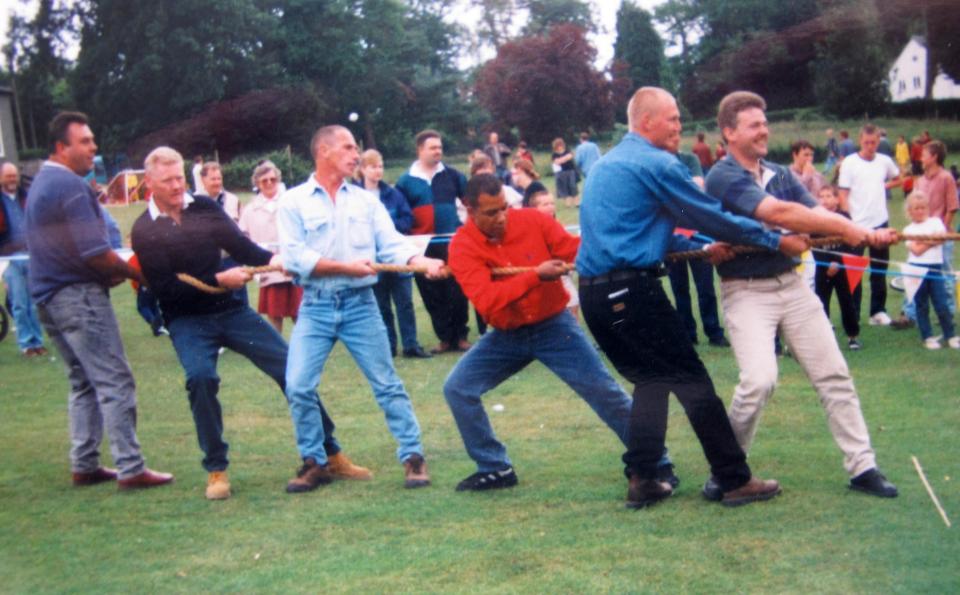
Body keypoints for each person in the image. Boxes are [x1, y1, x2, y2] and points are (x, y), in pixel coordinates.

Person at [577, 87, 801, 509]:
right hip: (633, 291)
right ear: (646, 122)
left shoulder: (607, 166)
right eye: (673, 119)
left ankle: (643, 478)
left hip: (597, 298)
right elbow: (709, 213)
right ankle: (734, 479)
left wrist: (700, 243)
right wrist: (774, 239)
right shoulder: (659, 163)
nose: (680, 127)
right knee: (693, 381)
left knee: (652, 382)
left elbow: (646, 225)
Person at [132, 147, 370, 499]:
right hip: (187, 319)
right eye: (167, 181)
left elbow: (240, 246)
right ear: (149, 183)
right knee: (201, 378)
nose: (176, 186)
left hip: (231, 311)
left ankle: (329, 454)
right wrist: (218, 279)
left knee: (293, 372)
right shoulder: (143, 230)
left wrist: (276, 259)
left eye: (180, 178)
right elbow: (166, 290)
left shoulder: (203, 207)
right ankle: (216, 469)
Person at [704, 91, 898, 500]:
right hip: (746, 292)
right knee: (759, 381)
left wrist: (857, 228)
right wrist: (847, 230)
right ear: (729, 132)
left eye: (764, 122)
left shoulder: (779, 172)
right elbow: (778, 214)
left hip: (792, 287)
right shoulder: (723, 176)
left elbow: (814, 213)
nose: (764, 130)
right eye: (754, 125)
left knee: (834, 374)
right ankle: (728, 469)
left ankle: (863, 466)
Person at [444, 174, 676, 494]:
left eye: (505, 209)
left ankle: (657, 462)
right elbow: (486, 300)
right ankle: (494, 468)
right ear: (469, 210)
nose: (502, 218)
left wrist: (627, 253)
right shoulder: (462, 246)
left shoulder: (533, 221)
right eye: (491, 213)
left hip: (554, 326)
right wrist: (535, 276)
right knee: (457, 388)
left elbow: (573, 250)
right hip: (505, 335)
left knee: (604, 391)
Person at [278, 125, 447, 490]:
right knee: (298, 386)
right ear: (323, 152)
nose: (357, 155)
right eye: (349, 147)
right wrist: (346, 267)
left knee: (387, 384)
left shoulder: (367, 202)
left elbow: (391, 245)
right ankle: (314, 462)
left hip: (360, 305)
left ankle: (413, 457)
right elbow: (295, 257)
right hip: (316, 306)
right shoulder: (293, 202)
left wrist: (423, 261)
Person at [26, 111, 173, 490]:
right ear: (62, 147)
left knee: (83, 382)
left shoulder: (42, 182)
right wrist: (142, 276)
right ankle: (131, 467)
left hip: (47, 296)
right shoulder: (71, 186)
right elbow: (94, 252)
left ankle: (85, 463)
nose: (94, 147)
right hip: (77, 296)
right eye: (85, 141)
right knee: (114, 379)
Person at [396, 129, 472, 354]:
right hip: (422, 245)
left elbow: (470, 203)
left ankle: (460, 337)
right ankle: (445, 338)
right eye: (433, 147)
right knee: (431, 293)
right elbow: (402, 212)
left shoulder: (453, 175)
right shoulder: (405, 181)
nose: (438, 151)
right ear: (420, 150)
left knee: (457, 290)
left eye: (440, 147)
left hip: (452, 241)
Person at [355, 149, 432, 359]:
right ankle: (388, 345)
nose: (378, 170)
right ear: (362, 169)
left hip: (398, 257)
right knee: (381, 305)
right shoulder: (354, 196)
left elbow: (408, 220)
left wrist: (387, 228)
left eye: (380, 166)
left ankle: (411, 345)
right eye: (373, 166)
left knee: (405, 302)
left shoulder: (394, 194)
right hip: (373, 259)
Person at [838, 124, 901, 326]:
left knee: (879, 269)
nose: (870, 146)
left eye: (873, 143)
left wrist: (883, 186)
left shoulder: (884, 161)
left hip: (881, 223)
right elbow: (842, 195)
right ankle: (853, 313)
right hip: (856, 225)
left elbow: (898, 177)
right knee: (853, 272)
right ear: (860, 141)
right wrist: (848, 220)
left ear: (878, 142)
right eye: (866, 142)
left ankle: (878, 311)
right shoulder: (849, 162)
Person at [668, 151, 729, 347]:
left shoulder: (688, 159)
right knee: (679, 288)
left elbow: (698, 187)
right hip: (672, 236)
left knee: (705, 287)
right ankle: (688, 333)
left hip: (697, 233)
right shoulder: (653, 159)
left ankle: (714, 332)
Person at [238, 160, 302, 334]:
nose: (269, 183)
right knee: (274, 316)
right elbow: (243, 239)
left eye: (272, 179)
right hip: (268, 269)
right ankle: (279, 356)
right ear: (257, 183)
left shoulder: (291, 203)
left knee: (300, 315)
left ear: (278, 180)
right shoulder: (250, 210)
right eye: (264, 180)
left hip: (292, 266)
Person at [1, 162, 47, 356]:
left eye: (14, 175)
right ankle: (27, 343)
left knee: (34, 303)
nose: (12, 179)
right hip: (9, 259)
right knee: (19, 304)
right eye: (8, 176)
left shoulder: (26, 196)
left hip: (30, 256)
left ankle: (38, 341)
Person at [903, 191, 959, 350]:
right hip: (916, 269)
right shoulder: (908, 229)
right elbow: (916, 251)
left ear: (927, 208)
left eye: (923, 208)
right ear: (910, 211)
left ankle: (950, 335)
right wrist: (931, 240)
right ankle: (927, 336)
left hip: (935, 267)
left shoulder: (936, 222)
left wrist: (925, 241)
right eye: (916, 208)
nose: (920, 211)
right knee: (921, 305)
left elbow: (941, 239)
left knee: (941, 303)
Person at [812, 185, 861, 350]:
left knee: (847, 301)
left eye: (828, 196)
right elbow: (812, 246)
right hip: (822, 268)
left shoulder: (844, 217)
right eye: (822, 196)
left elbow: (852, 243)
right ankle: (823, 337)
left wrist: (838, 262)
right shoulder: (814, 219)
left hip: (842, 268)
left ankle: (852, 336)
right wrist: (826, 263)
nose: (825, 200)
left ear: (836, 199)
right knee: (821, 302)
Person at [526, 187, 579, 320]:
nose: (550, 207)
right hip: (550, 274)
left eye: (552, 203)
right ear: (534, 208)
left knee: (573, 306)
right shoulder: (533, 228)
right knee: (571, 302)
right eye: (545, 204)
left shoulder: (556, 225)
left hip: (564, 271)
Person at [551, 138, 579, 208]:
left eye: (561, 145)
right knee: (564, 188)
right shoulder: (554, 154)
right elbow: (557, 162)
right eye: (558, 145)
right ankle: (568, 204)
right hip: (561, 173)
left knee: (573, 186)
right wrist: (565, 158)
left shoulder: (567, 151)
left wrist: (562, 159)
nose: (560, 147)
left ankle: (577, 203)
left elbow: (570, 157)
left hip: (571, 171)